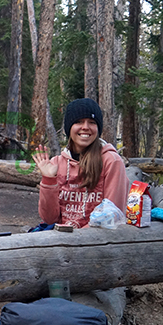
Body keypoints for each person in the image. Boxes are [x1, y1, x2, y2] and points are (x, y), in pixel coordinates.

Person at [31, 98, 128, 229]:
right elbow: (49, 218)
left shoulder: (111, 161)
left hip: (98, 242)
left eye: (92, 122)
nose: (85, 127)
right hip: (61, 239)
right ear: (68, 128)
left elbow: (112, 215)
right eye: (78, 122)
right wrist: (49, 180)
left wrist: (76, 238)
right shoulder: (56, 163)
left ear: (98, 128)